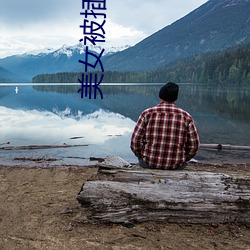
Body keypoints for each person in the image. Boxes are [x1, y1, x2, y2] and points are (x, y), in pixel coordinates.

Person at [130, 82, 200, 170]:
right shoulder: (186, 116)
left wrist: (141, 156)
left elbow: (135, 142)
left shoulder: (147, 114)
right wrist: (184, 158)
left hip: (149, 162)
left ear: (160, 96)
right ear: (175, 98)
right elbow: (194, 145)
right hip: (176, 165)